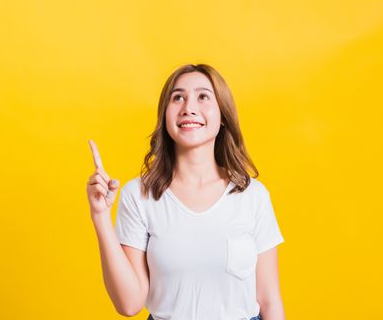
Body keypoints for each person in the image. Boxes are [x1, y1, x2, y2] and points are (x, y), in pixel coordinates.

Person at [87, 63, 286, 320]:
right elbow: (129, 304)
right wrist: (101, 216)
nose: (188, 108)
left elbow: (269, 300)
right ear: (165, 116)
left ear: (223, 115)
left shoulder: (252, 196)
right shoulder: (138, 195)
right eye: (177, 97)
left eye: (203, 97)